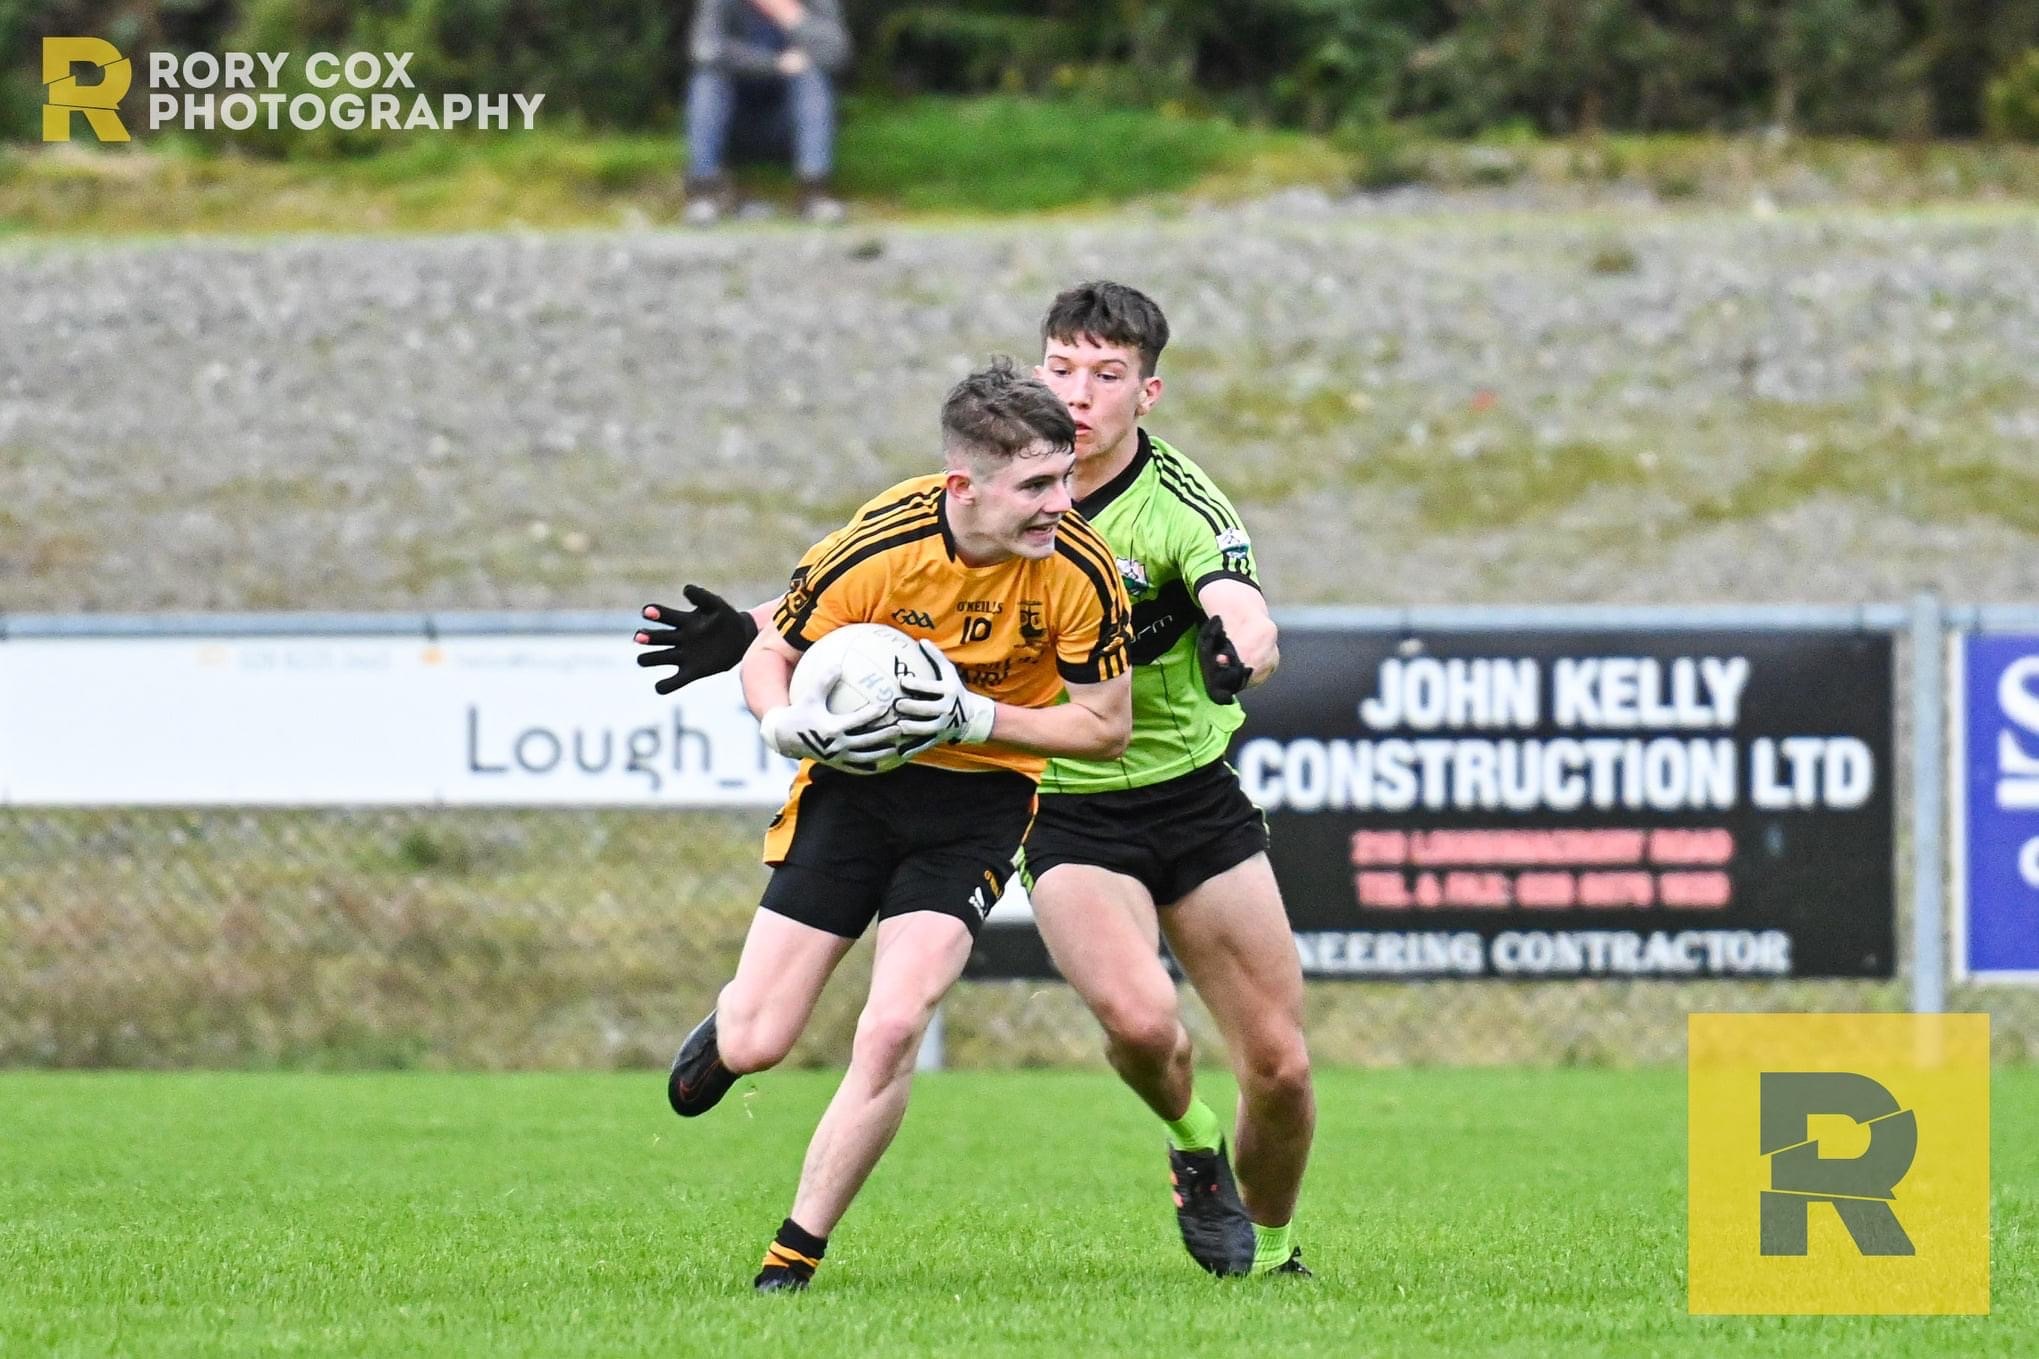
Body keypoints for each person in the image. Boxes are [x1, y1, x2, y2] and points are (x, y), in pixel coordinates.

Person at [637, 283, 1315, 1279]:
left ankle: (1270, 1252)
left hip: (1178, 790)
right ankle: (1190, 1140)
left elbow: (1237, 602)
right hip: (1062, 804)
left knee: (1282, 1065)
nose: (1078, 394)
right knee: (1139, 1023)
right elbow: (869, 587)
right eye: (1061, 368)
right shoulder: (978, 493)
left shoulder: (1160, 516)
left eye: (1105, 375)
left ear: (1148, 392)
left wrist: (1241, 647)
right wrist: (749, 641)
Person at [659, 360, 1133, 1292]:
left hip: (979, 810)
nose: (1061, 504)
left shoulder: (1082, 572)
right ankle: (733, 1025)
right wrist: (779, 718)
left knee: (891, 1024)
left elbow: (1105, 728)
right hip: (854, 796)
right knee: (760, 1041)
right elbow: (773, 651)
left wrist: (973, 719)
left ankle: (791, 1256)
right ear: (965, 485)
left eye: (1067, 479)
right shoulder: (878, 546)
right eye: (1037, 485)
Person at [684, 0, 850, 225]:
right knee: (708, 80)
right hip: (732, 124)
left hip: (787, 124)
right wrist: (775, 64)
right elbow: (705, 49)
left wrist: (789, 15)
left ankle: (813, 191)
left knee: (811, 75)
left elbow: (836, 53)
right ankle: (704, 190)